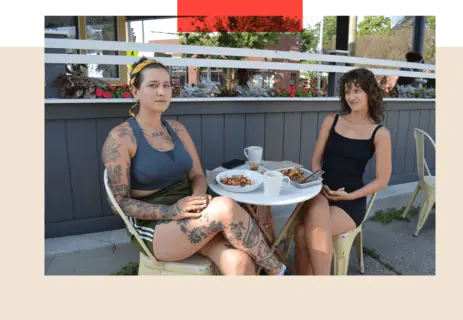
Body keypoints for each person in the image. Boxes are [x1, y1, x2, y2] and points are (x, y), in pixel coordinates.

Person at [102, 57, 287, 276]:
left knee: (238, 261)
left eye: (166, 85)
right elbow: (119, 203)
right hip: (154, 224)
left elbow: (197, 175)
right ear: (136, 92)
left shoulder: (177, 129)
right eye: (152, 85)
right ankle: (279, 272)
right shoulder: (121, 138)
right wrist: (171, 211)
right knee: (226, 207)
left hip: (191, 212)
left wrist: (197, 200)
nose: (161, 91)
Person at [294, 68, 392, 275]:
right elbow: (315, 160)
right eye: (347, 91)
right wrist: (320, 182)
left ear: (370, 93)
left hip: (351, 199)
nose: (351, 97)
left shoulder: (380, 133)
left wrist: (350, 195)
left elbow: (383, 181)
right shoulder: (332, 120)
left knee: (304, 233)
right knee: (305, 229)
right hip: (321, 189)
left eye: (357, 90)